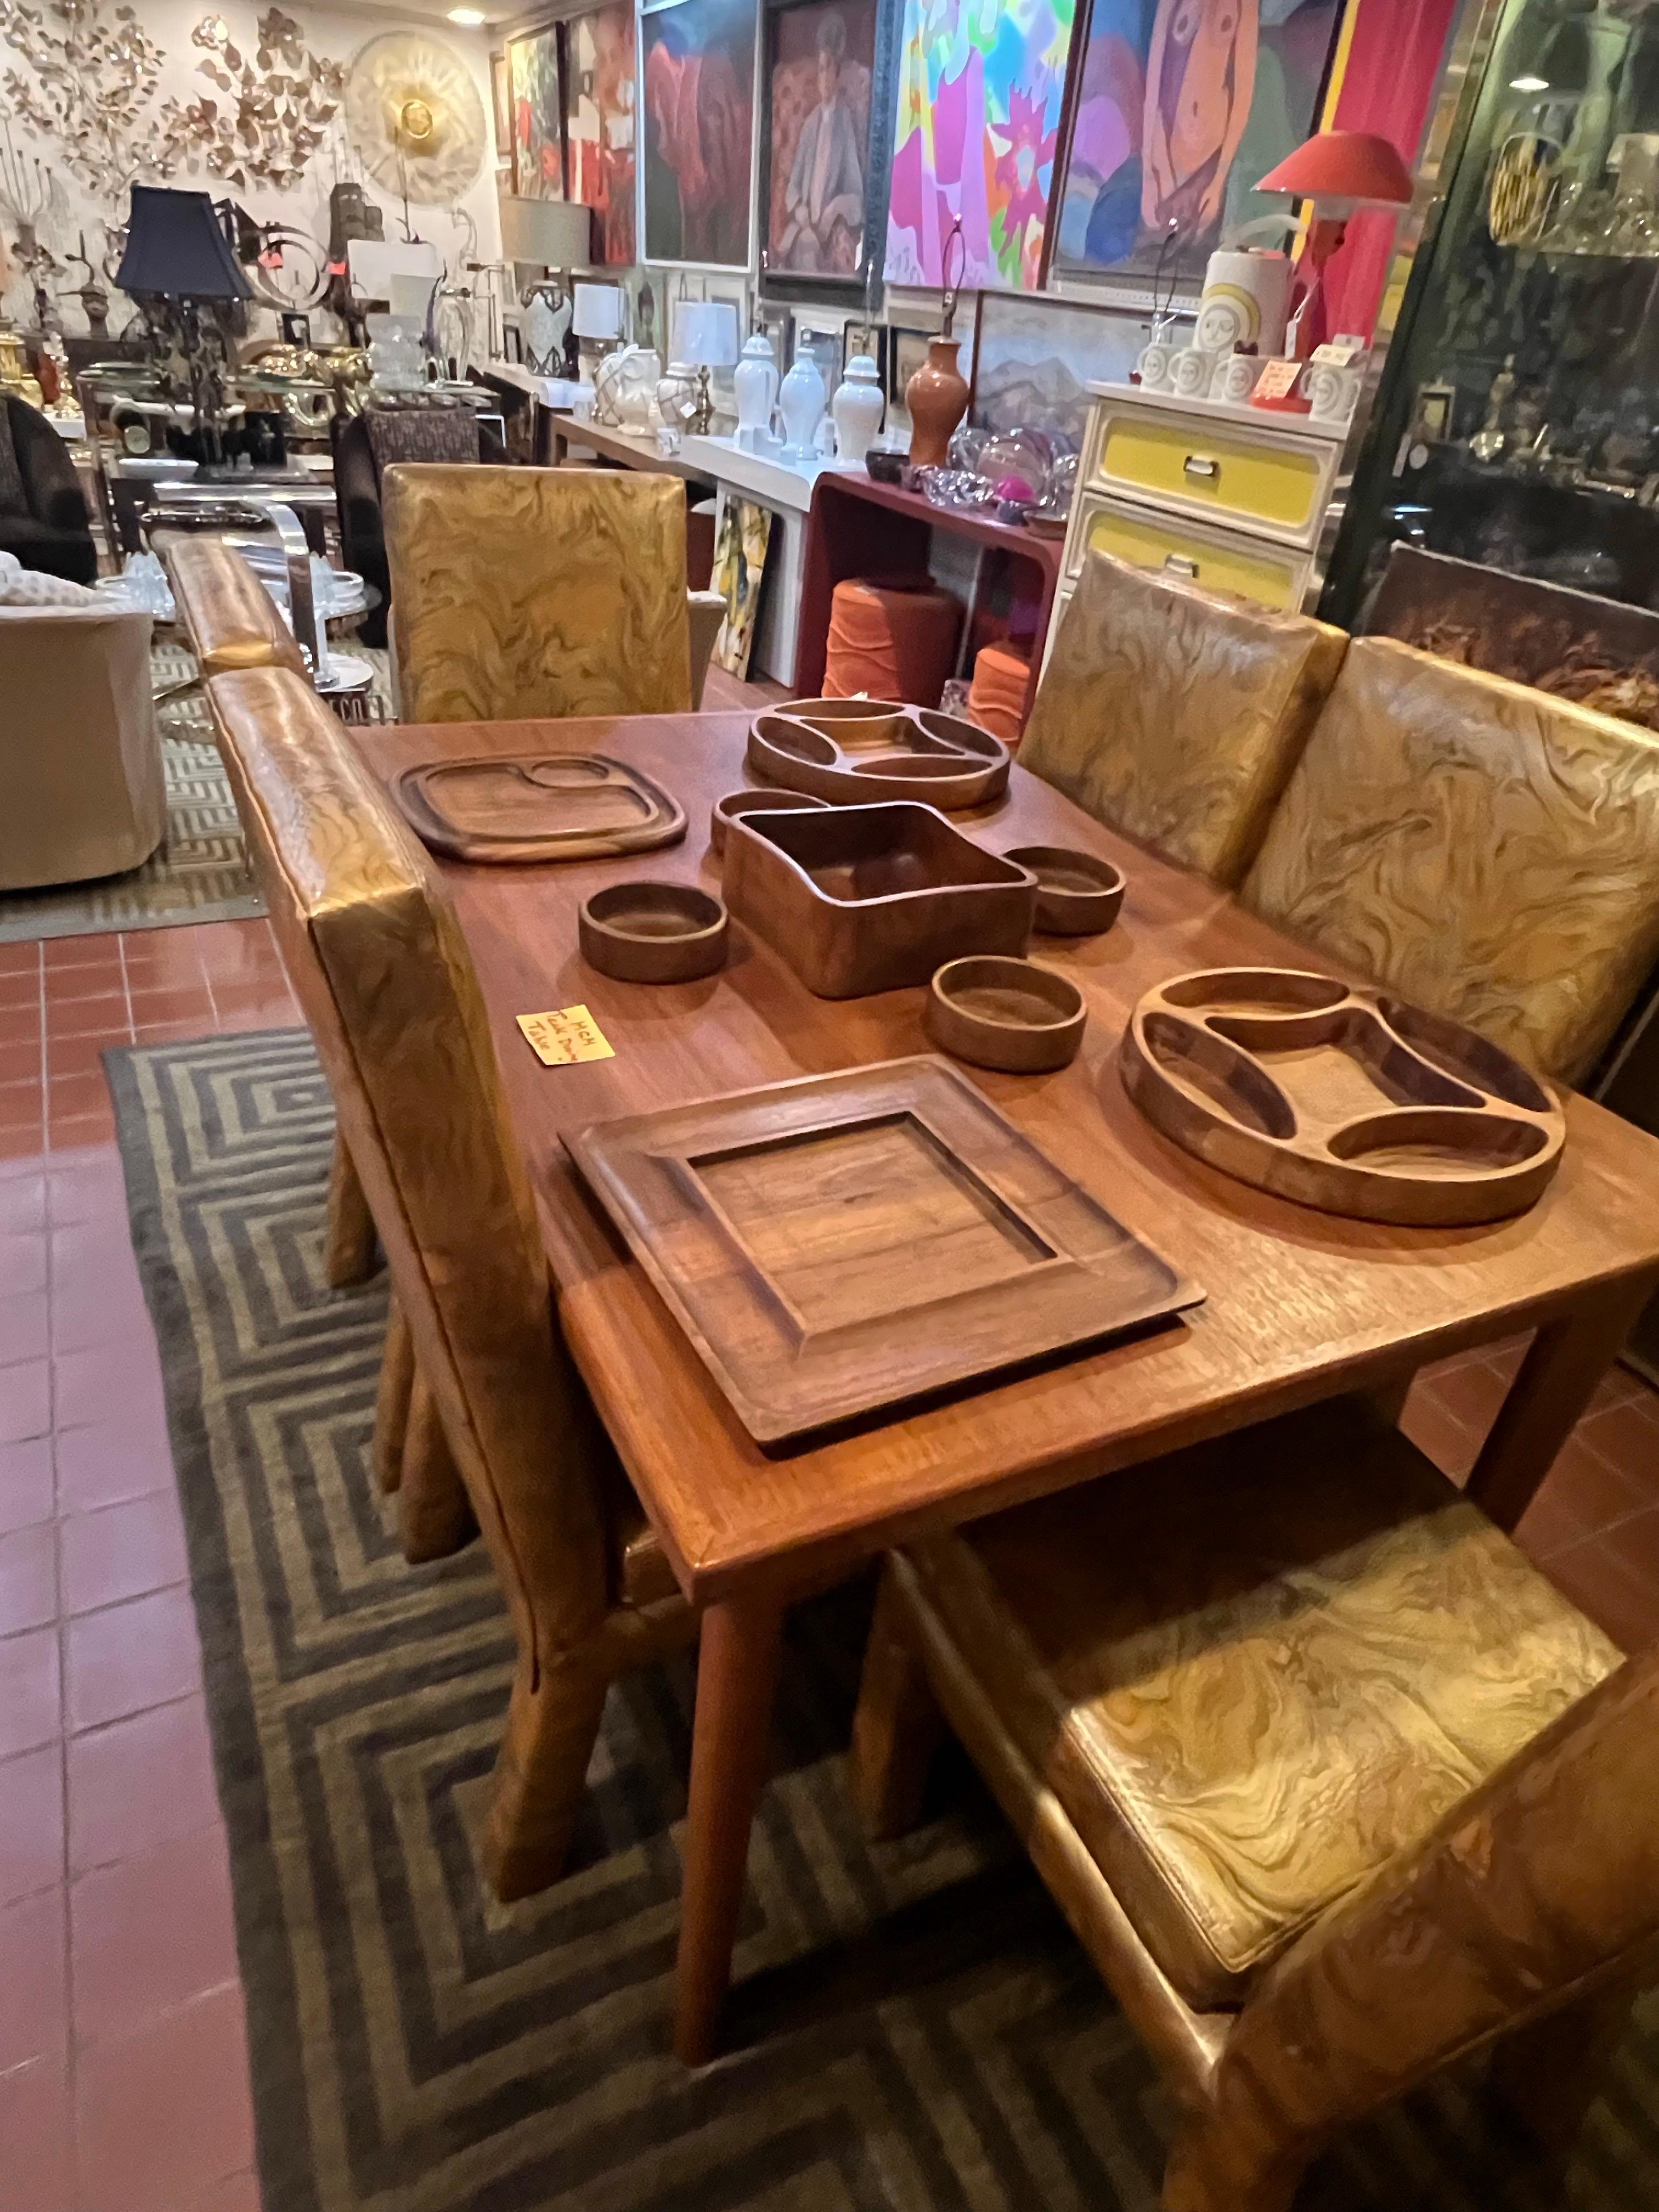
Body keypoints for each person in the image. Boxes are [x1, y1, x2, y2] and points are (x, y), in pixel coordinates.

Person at [777, 13, 865, 273]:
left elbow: (856, 193)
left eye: (828, 70)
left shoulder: (845, 122)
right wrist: (801, 212)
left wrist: (834, 209)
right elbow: (792, 188)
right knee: (801, 249)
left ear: (837, 76)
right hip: (805, 227)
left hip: (828, 229)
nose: (823, 78)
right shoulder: (809, 125)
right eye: (820, 69)